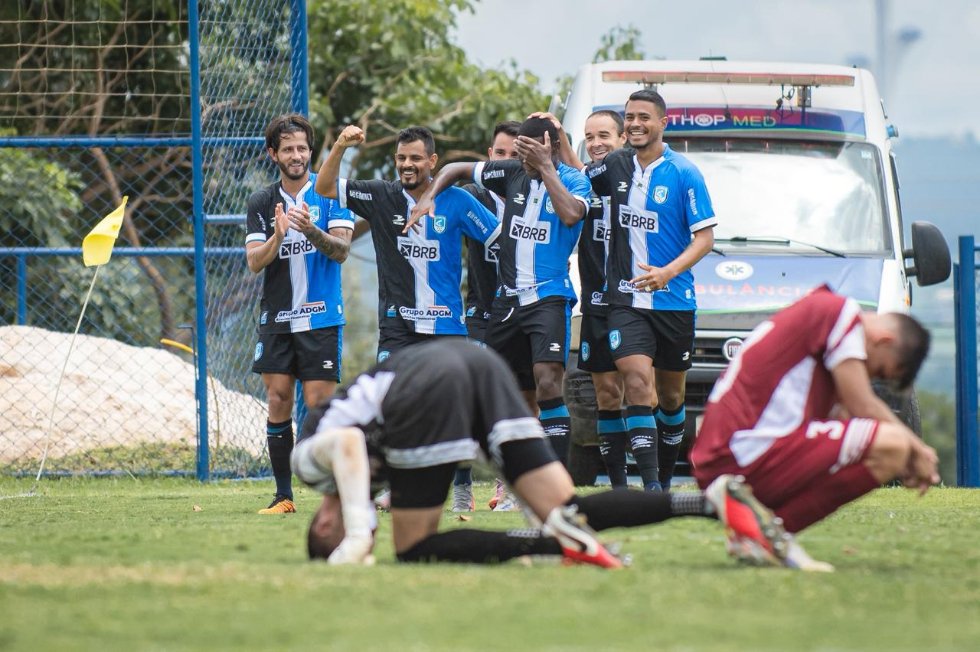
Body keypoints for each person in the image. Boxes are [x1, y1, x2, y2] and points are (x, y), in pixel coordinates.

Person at [290, 339, 800, 568]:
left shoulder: (309, 467)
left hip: (428, 383)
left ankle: (556, 545)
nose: (368, 539)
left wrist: (355, 537)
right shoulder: (369, 482)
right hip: (477, 365)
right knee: (566, 508)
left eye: (337, 535)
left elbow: (350, 444)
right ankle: (710, 502)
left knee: (414, 547)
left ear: (323, 524)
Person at [691, 285, 940, 571]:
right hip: (740, 453)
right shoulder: (841, 313)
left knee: (889, 449)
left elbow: (847, 419)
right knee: (893, 444)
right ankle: (770, 535)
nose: (870, 375)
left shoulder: (819, 326)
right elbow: (862, 403)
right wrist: (917, 449)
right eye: (879, 370)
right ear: (884, 340)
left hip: (730, 454)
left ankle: (761, 533)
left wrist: (905, 456)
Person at [408, 117, 591, 475]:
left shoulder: (574, 180)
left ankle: (558, 484)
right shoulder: (512, 172)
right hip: (507, 302)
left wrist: (545, 168)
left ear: (552, 148)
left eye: (529, 152)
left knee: (548, 380)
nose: (522, 160)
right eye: (520, 152)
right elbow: (456, 169)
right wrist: (429, 197)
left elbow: (571, 215)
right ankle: (507, 480)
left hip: (549, 296)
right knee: (495, 389)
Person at [566, 89, 716, 491]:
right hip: (625, 299)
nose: (635, 124)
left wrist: (668, 272)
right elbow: (577, 177)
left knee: (671, 397)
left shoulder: (684, 173)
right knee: (635, 383)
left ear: (662, 123)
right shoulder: (616, 165)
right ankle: (648, 489)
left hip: (673, 301)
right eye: (630, 116)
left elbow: (705, 239)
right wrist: (556, 140)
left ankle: (664, 481)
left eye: (643, 117)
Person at [314, 125, 500, 362]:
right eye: (401, 158)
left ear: (432, 161)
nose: (407, 164)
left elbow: (500, 240)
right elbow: (324, 187)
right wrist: (340, 145)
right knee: (391, 386)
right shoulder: (379, 196)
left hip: (446, 328)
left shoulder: (458, 199)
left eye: (415, 158)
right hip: (397, 330)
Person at [245, 113, 355, 514]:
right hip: (277, 319)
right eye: (288, 149)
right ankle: (283, 496)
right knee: (278, 399)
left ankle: (335, 493)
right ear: (273, 154)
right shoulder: (261, 202)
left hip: (321, 317)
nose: (296, 156)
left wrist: (309, 230)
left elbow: (341, 251)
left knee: (320, 404)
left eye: (302, 148)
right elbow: (254, 262)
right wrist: (277, 237)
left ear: (310, 152)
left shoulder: (330, 194)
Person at [452, 120, 521, 513]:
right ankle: (462, 490)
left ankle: (507, 485)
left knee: (515, 401)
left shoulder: (534, 194)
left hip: (525, 310)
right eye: (500, 154)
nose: (507, 162)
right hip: (481, 313)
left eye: (514, 155)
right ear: (488, 157)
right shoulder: (472, 195)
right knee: (468, 399)